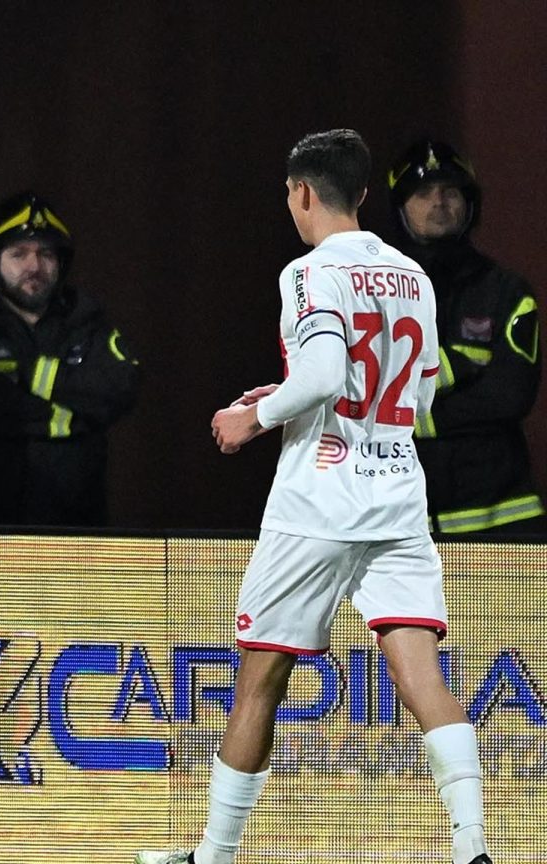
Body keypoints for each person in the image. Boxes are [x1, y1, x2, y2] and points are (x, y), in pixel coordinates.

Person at [137, 129, 491, 864]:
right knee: (423, 676)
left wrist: (255, 417)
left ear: (301, 193)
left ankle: (215, 855)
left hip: (318, 504)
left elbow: (328, 373)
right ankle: (473, 849)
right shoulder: (413, 275)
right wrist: (295, 394)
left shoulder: (308, 273)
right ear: (361, 193)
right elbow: (420, 397)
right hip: (398, 497)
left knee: (259, 681)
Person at [0, 193, 138, 527]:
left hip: (79, 527)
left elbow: (120, 389)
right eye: (19, 254)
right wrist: (72, 415)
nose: (34, 266)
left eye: (46, 254)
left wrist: (24, 375)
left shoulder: (87, 319)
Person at [388, 138, 544, 535]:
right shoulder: (377, 296)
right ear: (401, 207)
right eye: (423, 193)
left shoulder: (506, 291)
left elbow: (509, 396)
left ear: (469, 205)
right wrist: (461, 365)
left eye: (450, 192)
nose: (438, 202)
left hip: (504, 520)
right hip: (404, 524)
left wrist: (413, 417)